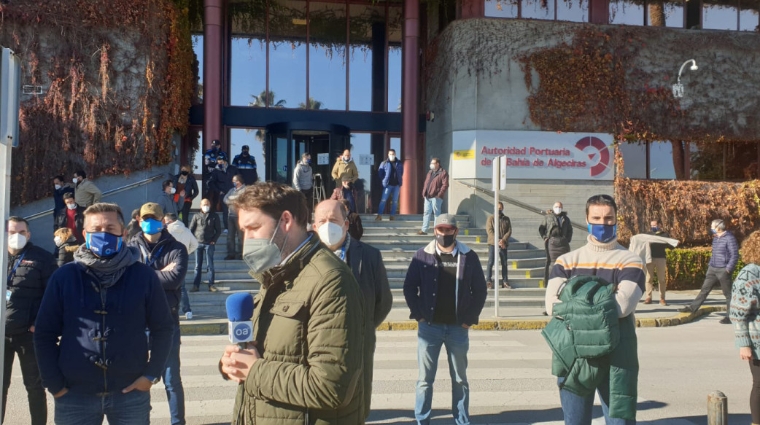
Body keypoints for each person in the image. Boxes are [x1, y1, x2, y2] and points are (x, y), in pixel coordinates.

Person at [218, 182, 365, 424]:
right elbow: (276, 353)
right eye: (243, 231)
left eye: (254, 228)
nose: (247, 240)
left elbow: (331, 386)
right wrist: (235, 362)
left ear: (286, 220)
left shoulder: (330, 280)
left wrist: (254, 370)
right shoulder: (275, 273)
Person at [34, 203, 175, 425]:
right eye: (96, 229)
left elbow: (163, 328)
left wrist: (151, 374)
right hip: (74, 395)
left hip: (130, 393)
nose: (103, 234)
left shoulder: (143, 276)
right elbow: (44, 333)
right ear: (84, 234)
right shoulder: (64, 277)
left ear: (124, 232)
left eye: (110, 229)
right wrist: (55, 385)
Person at [545, 194, 645, 425]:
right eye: (597, 218)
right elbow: (552, 306)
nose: (603, 223)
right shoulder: (566, 261)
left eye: (609, 218)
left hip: (617, 358)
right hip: (573, 357)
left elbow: (622, 307)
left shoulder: (631, 261)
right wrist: (606, 294)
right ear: (587, 219)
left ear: (617, 219)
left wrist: (574, 296)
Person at [403, 214, 488, 425]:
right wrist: (419, 314)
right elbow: (409, 287)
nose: (444, 234)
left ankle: (461, 420)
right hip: (429, 328)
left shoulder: (469, 256)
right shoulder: (422, 256)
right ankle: (422, 420)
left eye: (449, 230)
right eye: (440, 230)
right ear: (435, 231)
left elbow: (479, 290)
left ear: (456, 232)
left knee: (460, 379)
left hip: (458, 328)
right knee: (424, 380)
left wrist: (470, 319)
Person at [313, 199, 392, 419]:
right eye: (322, 221)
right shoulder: (303, 258)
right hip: (316, 344)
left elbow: (383, 301)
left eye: (334, 220)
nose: (328, 225)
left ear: (346, 224)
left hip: (358, 343)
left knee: (356, 405)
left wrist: (362, 327)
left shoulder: (369, 256)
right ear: (314, 227)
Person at [129, 202, 189, 425]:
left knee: (172, 381)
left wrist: (143, 275)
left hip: (167, 321)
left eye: (154, 217)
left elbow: (175, 279)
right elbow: (127, 280)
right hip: (136, 322)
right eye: (145, 218)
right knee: (136, 379)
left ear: (163, 220)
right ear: (139, 220)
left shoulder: (177, 248)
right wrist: (158, 274)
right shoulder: (130, 248)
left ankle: (177, 422)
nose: (149, 221)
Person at [4, 216, 56, 425]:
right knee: (0, 387)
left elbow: (52, 296)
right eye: (11, 232)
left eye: (21, 232)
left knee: (34, 387)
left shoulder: (42, 258)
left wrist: (39, 324)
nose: (16, 236)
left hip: (29, 335)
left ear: (28, 234)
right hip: (2, 335)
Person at [679, 219, 739, 323]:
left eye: (712, 226)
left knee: (728, 294)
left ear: (718, 227)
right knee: (704, 290)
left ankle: (730, 316)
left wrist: (728, 269)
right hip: (713, 268)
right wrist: (710, 265)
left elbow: (734, 255)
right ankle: (692, 308)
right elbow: (714, 253)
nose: (711, 228)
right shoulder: (715, 238)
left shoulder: (729, 238)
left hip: (723, 269)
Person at [729, 230, 760, 425]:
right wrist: (743, 344)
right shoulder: (749, 273)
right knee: (759, 385)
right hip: (757, 340)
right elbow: (738, 313)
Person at [164, 212, 198, 321]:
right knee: (182, 287)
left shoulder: (167, 231)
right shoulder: (186, 230)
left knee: (166, 286)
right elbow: (195, 244)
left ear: (168, 221)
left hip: (168, 262)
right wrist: (186, 252)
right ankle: (187, 310)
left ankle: (169, 310)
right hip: (182, 261)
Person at [189, 198, 221, 294]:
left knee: (210, 265)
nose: (206, 206)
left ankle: (211, 285)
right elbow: (191, 229)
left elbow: (218, 230)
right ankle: (196, 285)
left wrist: (214, 240)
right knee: (197, 266)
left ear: (210, 205)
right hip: (198, 243)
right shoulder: (196, 216)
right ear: (200, 205)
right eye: (204, 204)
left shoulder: (214, 216)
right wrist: (192, 241)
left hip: (209, 244)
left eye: (207, 204)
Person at [539, 201, 573, 285]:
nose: (558, 208)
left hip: (563, 243)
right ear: (553, 207)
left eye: (560, 207)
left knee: (564, 262)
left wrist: (567, 239)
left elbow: (570, 230)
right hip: (552, 243)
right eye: (557, 207)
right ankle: (548, 282)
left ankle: (563, 281)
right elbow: (541, 228)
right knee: (551, 262)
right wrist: (545, 237)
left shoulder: (566, 218)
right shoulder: (548, 217)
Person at [418, 157, 449, 235]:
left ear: (437, 164)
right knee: (426, 213)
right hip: (428, 196)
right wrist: (424, 192)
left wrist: (439, 195)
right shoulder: (430, 172)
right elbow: (426, 183)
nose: (431, 165)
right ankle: (424, 229)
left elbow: (445, 185)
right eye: (431, 163)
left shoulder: (443, 172)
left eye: (433, 163)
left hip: (436, 197)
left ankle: (436, 231)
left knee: (436, 213)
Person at [209, 156, 239, 231]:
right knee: (226, 211)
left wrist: (237, 188)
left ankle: (237, 227)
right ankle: (227, 227)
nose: (220, 163)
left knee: (235, 210)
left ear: (225, 161)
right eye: (218, 161)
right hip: (223, 193)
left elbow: (239, 178)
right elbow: (211, 183)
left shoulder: (233, 169)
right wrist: (219, 191)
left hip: (234, 192)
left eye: (222, 161)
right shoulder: (215, 171)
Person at [486, 202, 512, 289]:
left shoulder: (506, 219)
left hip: (503, 244)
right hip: (493, 243)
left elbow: (509, 230)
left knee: (504, 263)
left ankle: (505, 281)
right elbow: (489, 231)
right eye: (498, 208)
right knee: (491, 262)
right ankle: (489, 281)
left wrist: (503, 240)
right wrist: (497, 240)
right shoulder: (491, 218)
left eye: (501, 208)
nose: (499, 210)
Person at [645, 219, 671, 305]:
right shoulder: (648, 235)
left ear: (659, 225)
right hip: (650, 259)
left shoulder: (664, 234)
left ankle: (662, 298)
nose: (653, 227)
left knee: (661, 279)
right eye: (651, 226)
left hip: (661, 258)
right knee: (648, 279)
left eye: (654, 225)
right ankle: (648, 297)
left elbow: (670, 245)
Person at [376, 149, 404, 221]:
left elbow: (401, 172)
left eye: (393, 154)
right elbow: (380, 173)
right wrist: (384, 180)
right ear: (388, 155)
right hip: (388, 185)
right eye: (390, 154)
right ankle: (379, 215)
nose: (392, 155)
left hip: (396, 185)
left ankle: (392, 216)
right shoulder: (384, 163)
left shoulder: (399, 163)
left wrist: (399, 180)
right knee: (383, 200)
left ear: (395, 154)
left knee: (395, 201)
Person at [223, 174, 246, 260]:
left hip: (240, 216)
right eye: (233, 181)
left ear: (239, 181)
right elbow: (225, 199)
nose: (233, 182)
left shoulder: (245, 190)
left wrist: (231, 199)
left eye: (235, 181)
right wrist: (234, 199)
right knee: (230, 236)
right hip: (230, 216)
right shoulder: (231, 190)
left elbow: (242, 200)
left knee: (241, 236)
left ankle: (241, 254)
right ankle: (231, 254)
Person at [293, 152, 314, 221]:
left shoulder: (310, 168)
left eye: (310, 158)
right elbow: (295, 179)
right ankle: (301, 221)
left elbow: (310, 178)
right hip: (302, 189)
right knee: (302, 206)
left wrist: (311, 186)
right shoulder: (298, 168)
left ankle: (309, 221)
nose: (309, 159)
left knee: (309, 207)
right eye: (308, 158)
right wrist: (299, 189)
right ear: (304, 158)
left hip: (309, 189)